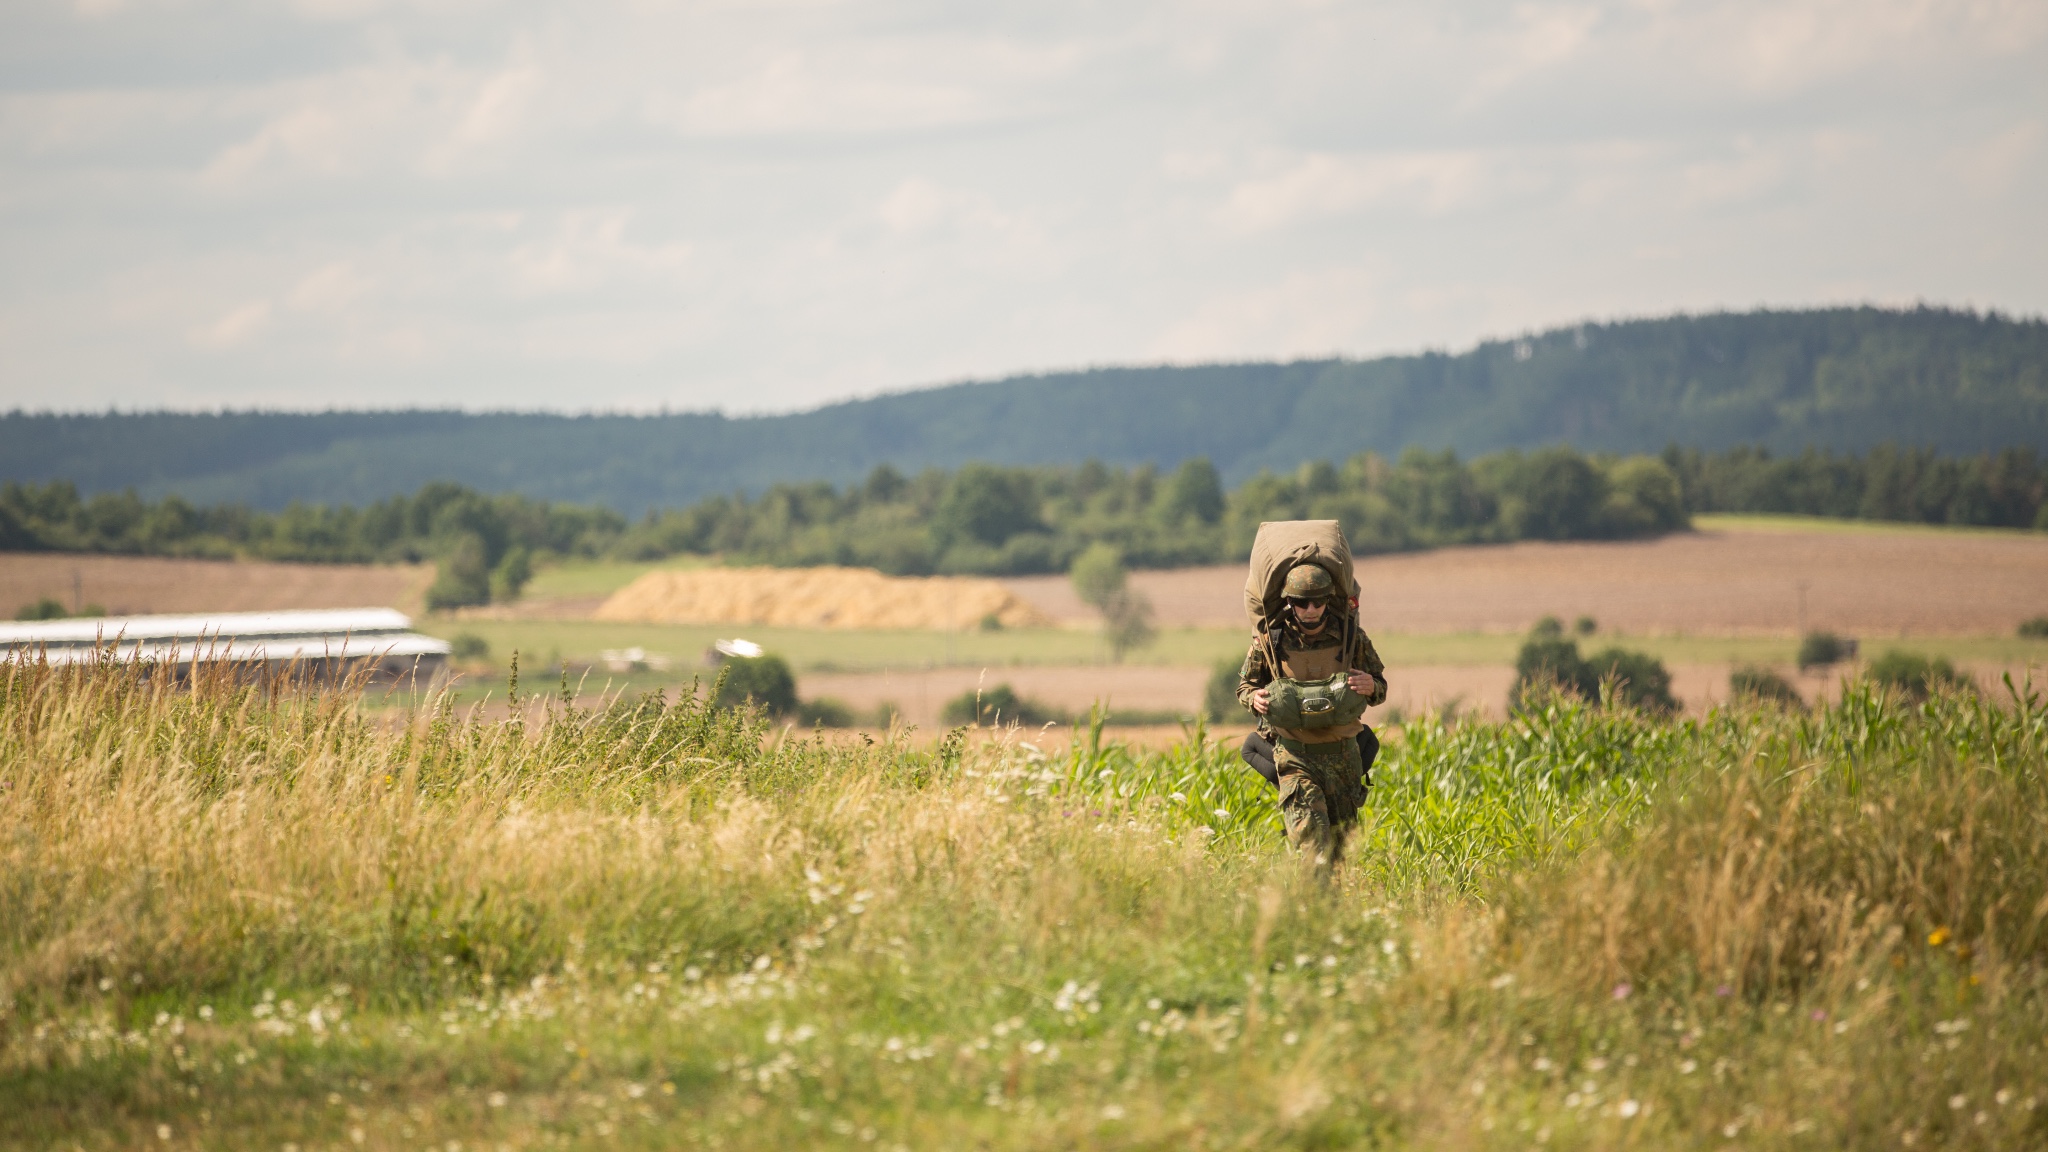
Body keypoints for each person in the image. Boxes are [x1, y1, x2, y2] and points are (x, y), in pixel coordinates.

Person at [1236, 561, 1386, 867]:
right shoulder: (1270, 642)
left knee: (1338, 854)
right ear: (1290, 602)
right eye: (1302, 602)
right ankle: (1310, 906)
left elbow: (1380, 686)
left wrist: (1371, 686)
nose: (1311, 609)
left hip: (1342, 757)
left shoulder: (1350, 638)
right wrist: (1255, 699)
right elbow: (1245, 686)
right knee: (1313, 846)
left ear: (1329, 600)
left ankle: (1327, 912)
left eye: (1318, 601)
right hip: (1295, 757)